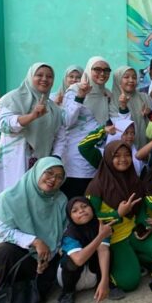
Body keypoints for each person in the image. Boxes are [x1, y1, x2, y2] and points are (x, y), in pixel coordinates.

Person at [0, 157, 67, 301]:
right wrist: (35, 241)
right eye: (49, 173)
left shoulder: (60, 199)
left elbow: (62, 232)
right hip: (15, 250)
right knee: (5, 252)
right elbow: (4, 231)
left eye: (59, 177)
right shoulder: (10, 197)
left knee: (49, 281)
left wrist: (47, 257)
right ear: (37, 171)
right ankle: (6, 296)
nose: (53, 179)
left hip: (45, 254)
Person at [0, 63, 64, 199]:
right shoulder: (13, 98)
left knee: (34, 200)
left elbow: (60, 135)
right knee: (13, 198)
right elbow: (3, 125)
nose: (44, 79)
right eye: (39, 75)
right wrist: (32, 116)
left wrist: (55, 158)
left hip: (40, 162)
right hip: (15, 159)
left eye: (49, 76)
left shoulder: (53, 108)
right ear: (30, 77)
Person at [86, 141, 144, 293]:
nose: (123, 159)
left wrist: (147, 223)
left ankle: (136, 261)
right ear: (108, 158)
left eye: (127, 155)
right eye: (117, 156)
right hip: (114, 238)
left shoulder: (133, 178)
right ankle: (112, 273)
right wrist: (117, 214)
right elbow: (90, 218)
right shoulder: (96, 185)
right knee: (130, 282)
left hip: (134, 231)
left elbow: (141, 206)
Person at [57, 56, 115, 197]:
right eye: (97, 69)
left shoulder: (106, 93)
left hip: (97, 156)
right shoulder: (75, 89)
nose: (102, 73)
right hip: (76, 157)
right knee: (76, 199)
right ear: (89, 70)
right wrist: (80, 96)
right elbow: (67, 121)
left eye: (106, 70)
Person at [56, 196, 115, 303]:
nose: (81, 211)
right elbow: (78, 260)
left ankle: (103, 284)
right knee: (70, 261)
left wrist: (105, 280)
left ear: (92, 208)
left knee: (107, 251)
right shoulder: (69, 233)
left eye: (84, 206)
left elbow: (103, 251)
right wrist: (100, 236)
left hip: (93, 276)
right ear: (70, 217)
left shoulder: (100, 226)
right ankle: (67, 293)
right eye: (75, 211)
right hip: (71, 278)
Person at [78, 118, 145, 176]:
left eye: (132, 133)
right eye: (126, 133)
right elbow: (83, 146)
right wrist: (103, 130)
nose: (130, 136)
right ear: (117, 134)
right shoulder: (104, 155)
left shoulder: (137, 155)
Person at [110, 66, 152, 148]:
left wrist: (150, 113)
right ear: (118, 80)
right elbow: (119, 128)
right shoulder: (112, 102)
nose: (131, 80)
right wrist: (123, 107)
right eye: (126, 77)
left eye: (134, 77)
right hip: (123, 151)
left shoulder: (145, 98)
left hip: (146, 148)